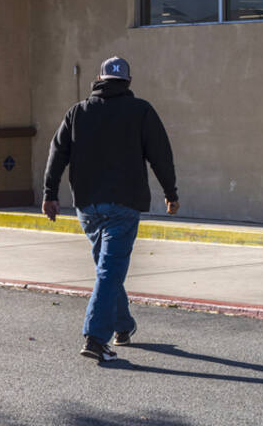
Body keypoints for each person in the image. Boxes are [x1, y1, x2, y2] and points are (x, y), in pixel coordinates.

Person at [42, 55, 179, 363]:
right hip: (124, 205)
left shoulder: (78, 112)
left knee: (107, 270)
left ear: (99, 80)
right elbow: (161, 155)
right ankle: (95, 338)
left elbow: (57, 153)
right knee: (109, 270)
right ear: (127, 82)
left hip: (88, 207)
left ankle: (123, 325)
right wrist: (171, 193)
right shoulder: (141, 111)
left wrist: (50, 194)